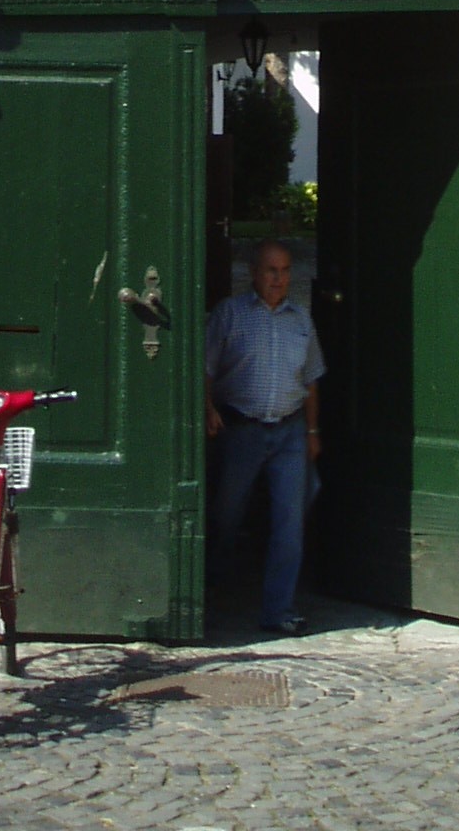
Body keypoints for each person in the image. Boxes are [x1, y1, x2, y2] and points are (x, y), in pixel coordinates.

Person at [204, 239, 325, 635]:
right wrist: (207, 407)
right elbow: (205, 368)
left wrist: (312, 431)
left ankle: (278, 609)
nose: (279, 278)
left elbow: (311, 380)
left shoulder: (301, 320)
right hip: (241, 429)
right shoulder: (230, 314)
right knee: (226, 514)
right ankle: (213, 586)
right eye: (271, 270)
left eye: (285, 270)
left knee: (290, 520)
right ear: (254, 273)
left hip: (289, 431)